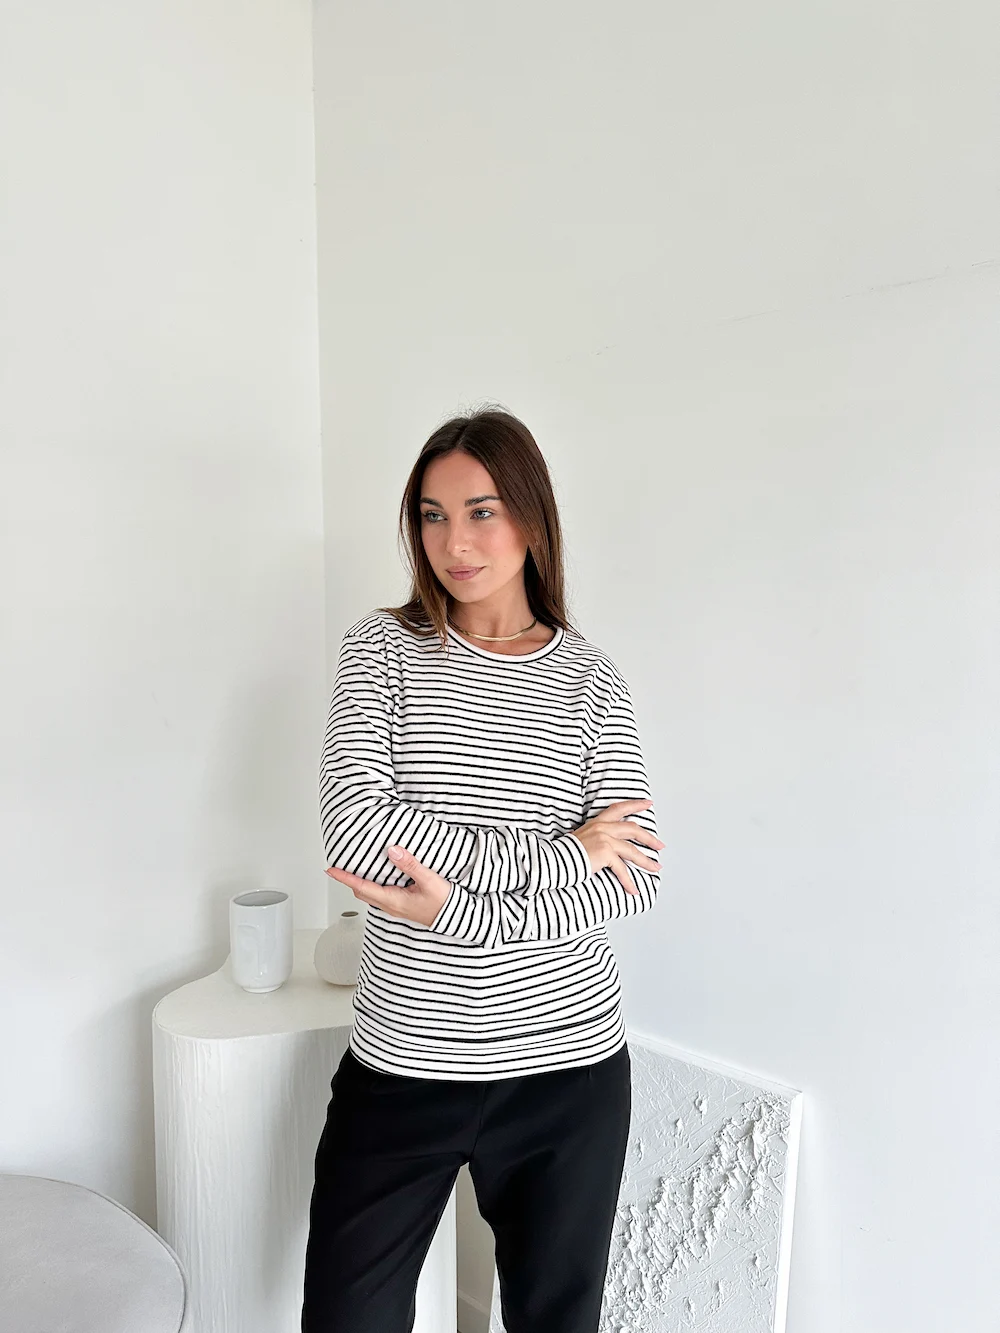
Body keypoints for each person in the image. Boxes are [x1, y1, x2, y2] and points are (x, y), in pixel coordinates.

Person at [300, 407, 664, 1333]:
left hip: (567, 1071)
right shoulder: (383, 648)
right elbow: (356, 833)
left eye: (481, 512)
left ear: (533, 519)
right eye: (432, 515)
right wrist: (565, 851)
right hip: (404, 1062)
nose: (453, 543)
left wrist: (456, 909)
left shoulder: (592, 681)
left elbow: (632, 877)